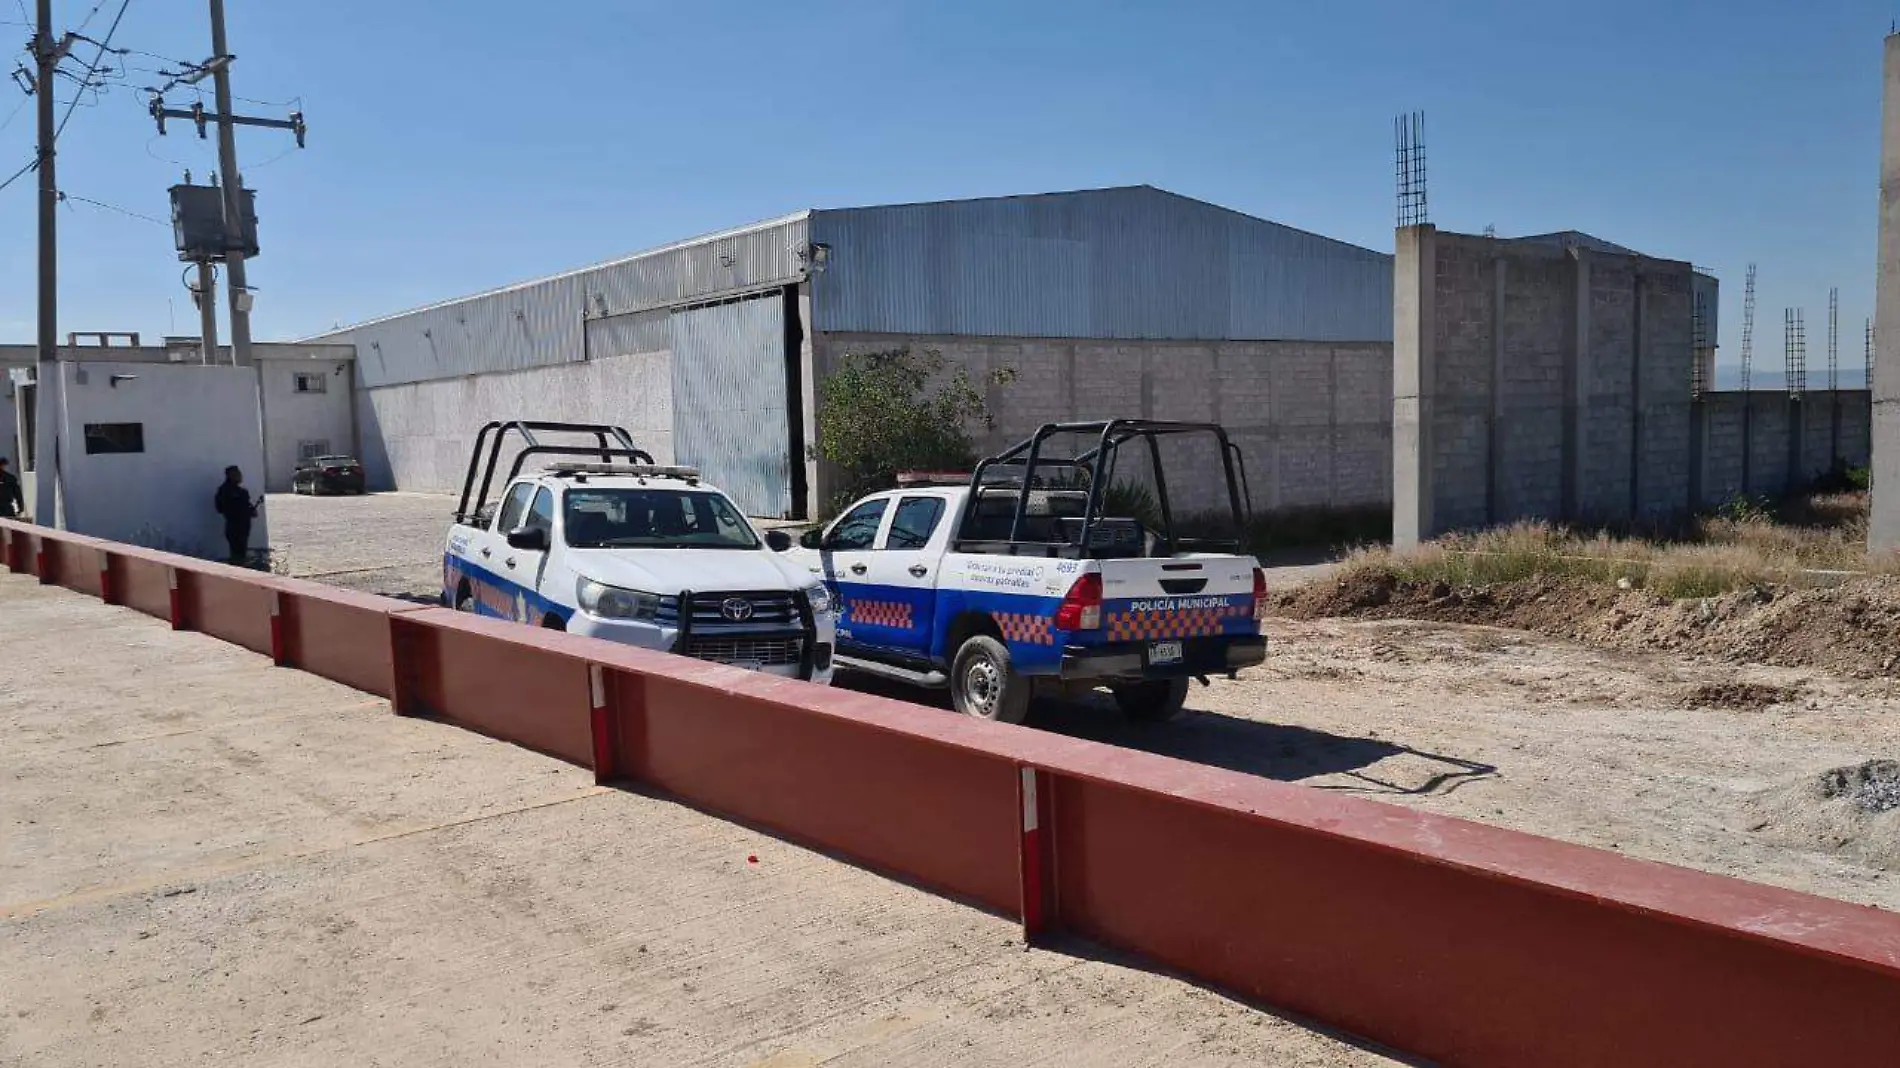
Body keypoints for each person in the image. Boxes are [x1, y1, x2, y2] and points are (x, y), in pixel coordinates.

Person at [214, 465, 259, 566]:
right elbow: (221, 508)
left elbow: (247, 507)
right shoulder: (227, 491)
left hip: (240, 526)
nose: (240, 476)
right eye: (238, 474)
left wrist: (250, 511)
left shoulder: (240, 492)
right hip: (235, 526)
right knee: (237, 555)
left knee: (239, 553)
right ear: (231, 475)